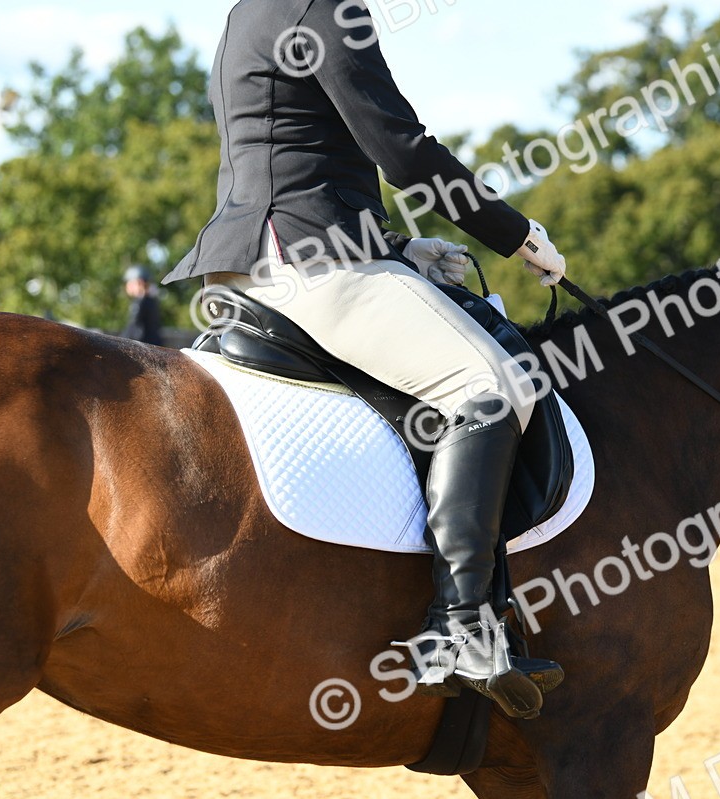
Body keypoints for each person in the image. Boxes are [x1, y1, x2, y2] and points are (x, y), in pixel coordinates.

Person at [163, 0, 567, 719]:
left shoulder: (250, 9)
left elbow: (295, 155)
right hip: (307, 261)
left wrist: (397, 248)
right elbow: (402, 148)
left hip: (270, 253)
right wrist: (517, 233)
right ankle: (460, 628)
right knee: (491, 385)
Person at [122, 265, 164, 346]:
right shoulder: (152, 300)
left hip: (144, 346)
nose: (127, 287)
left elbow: (133, 327)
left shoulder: (140, 302)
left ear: (139, 282)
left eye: (129, 283)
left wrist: (119, 343)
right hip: (154, 345)